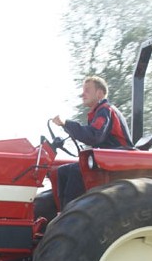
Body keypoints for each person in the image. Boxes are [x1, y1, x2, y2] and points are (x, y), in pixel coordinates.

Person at [51, 75, 133, 209]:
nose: (82, 94)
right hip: (108, 157)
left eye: (87, 90)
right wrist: (67, 126)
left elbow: (94, 135)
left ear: (99, 93)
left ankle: (72, 214)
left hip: (118, 156)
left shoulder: (105, 110)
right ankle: (63, 212)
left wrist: (67, 123)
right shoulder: (97, 112)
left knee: (77, 172)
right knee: (63, 171)